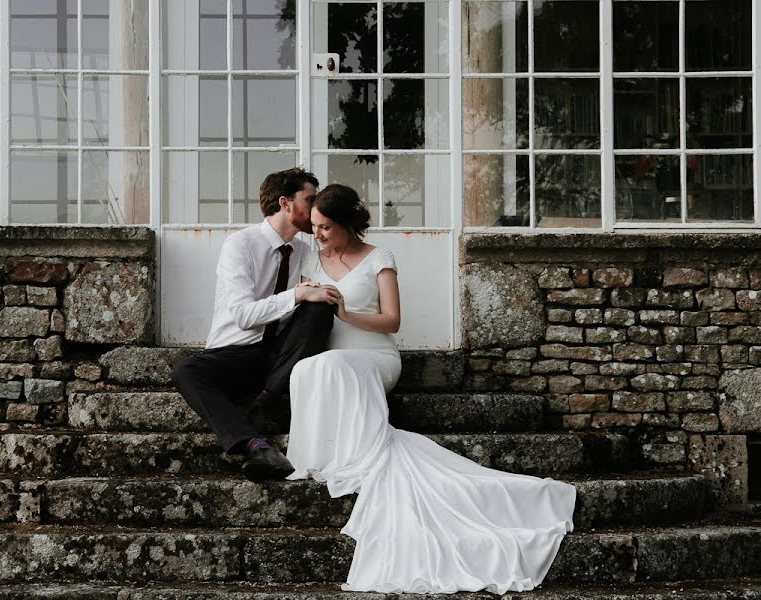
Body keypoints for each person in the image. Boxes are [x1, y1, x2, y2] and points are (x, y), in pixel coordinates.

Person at [287, 183, 577, 594]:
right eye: (314, 226)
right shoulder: (310, 258)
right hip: (334, 361)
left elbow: (392, 321)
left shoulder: (378, 258)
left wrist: (348, 313)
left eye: (326, 227)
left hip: (376, 357)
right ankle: (323, 455)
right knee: (308, 368)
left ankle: (357, 454)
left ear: (349, 224)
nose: (317, 234)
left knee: (332, 363)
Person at [172, 167, 340, 482]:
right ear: (285, 203)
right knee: (185, 370)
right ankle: (254, 444)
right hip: (236, 352)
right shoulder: (240, 245)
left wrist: (319, 294)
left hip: (280, 356)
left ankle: (265, 400)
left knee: (319, 310)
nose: (316, 208)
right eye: (310, 199)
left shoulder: (306, 251)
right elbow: (243, 315)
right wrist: (297, 294)